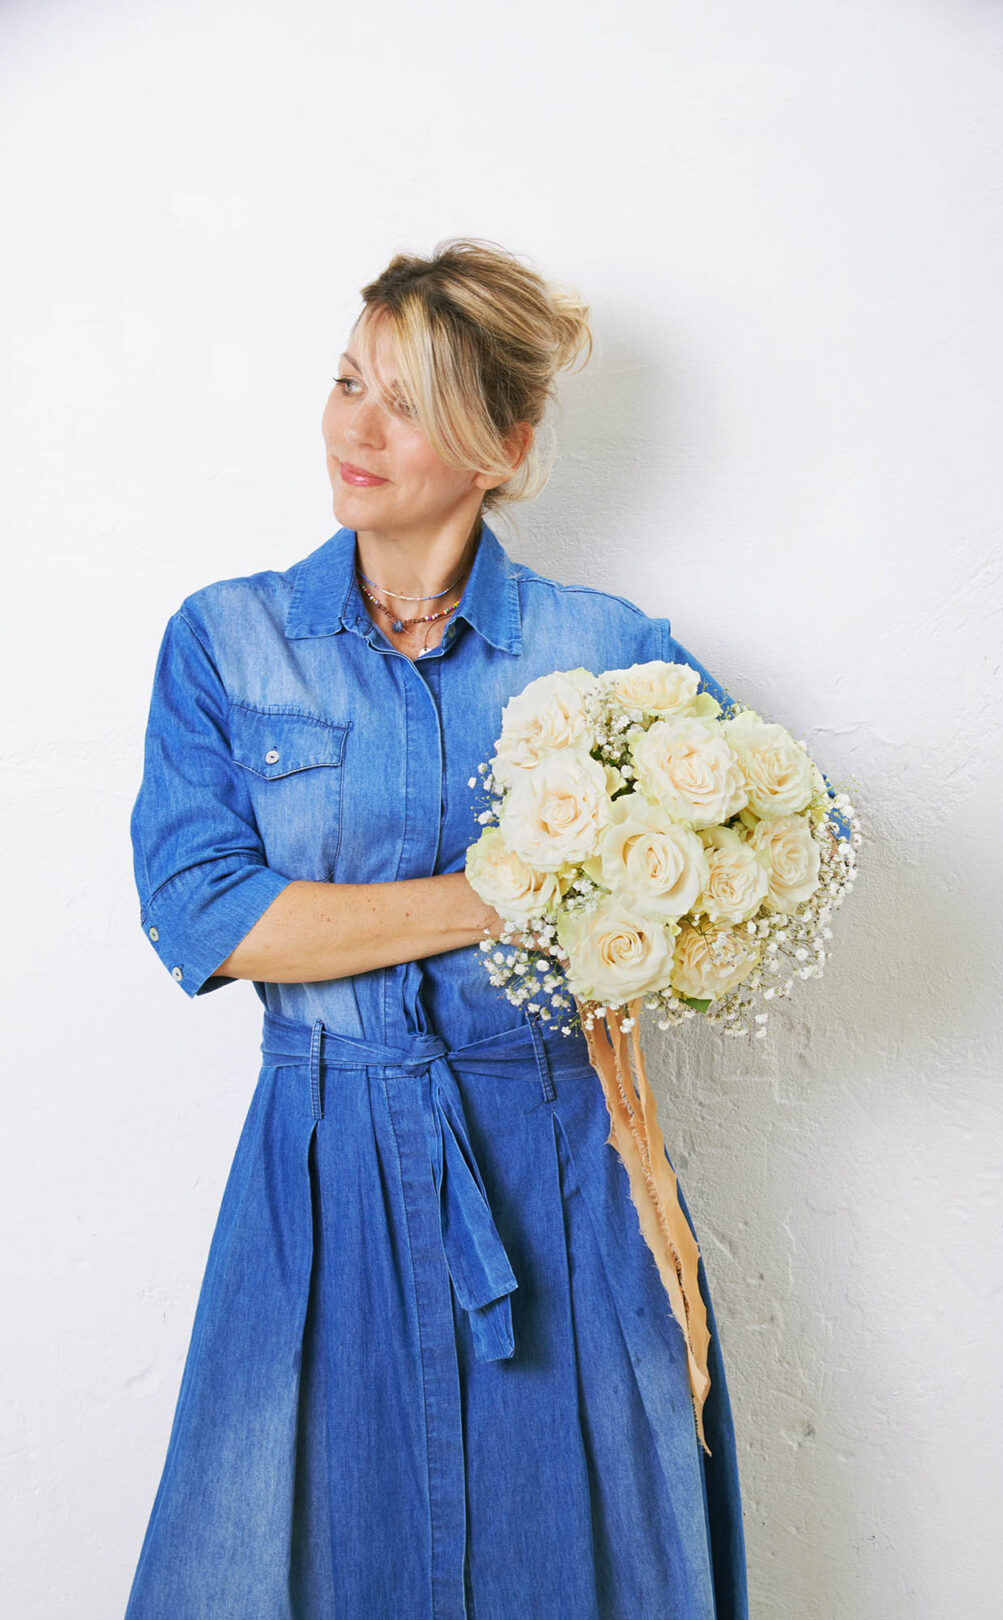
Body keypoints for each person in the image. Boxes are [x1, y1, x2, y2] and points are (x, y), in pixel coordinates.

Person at [123, 238, 750, 1620]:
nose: (357, 425)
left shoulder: (605, 648)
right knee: (288, 1547)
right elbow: (206, 912)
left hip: (562, 1164)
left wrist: (634, 902)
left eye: (406, 401)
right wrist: (499, 892)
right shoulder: (225, 642)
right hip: (319, 1164)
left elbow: (769, 842)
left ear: (505, 445)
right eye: (349, 379)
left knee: (577, 1555)